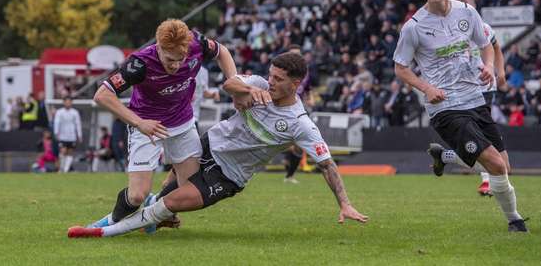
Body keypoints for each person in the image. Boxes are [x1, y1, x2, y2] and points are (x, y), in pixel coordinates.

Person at [68, 52, 368, 238]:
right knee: (163, 197)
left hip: (228, 176)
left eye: (278, 79)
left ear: (296, 84)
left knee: (171, 203)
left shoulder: (300, 123)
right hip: (208, 145)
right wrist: (246, 89)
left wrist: (344, 203)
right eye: (270, 76)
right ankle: (139, 223)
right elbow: (229, 83)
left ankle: (108, 231)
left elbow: (327, 164)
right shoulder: (261, 86)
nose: (271, 82)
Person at [393, 0, 527, 232]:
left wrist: (489, 67)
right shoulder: (413, 26)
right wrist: (427, 88)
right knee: (494, 163)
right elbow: (401, 69)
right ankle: (515, 221)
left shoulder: (467, 12)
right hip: (445, 107)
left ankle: (445, 157)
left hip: (475, 98)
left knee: (505, 166)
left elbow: (487, 45)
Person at [87, 19, 236, 232]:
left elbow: (222, 51)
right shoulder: (139, 63)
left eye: (180, 59)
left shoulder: (196, 43)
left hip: (182, 123)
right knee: (137, 195)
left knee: (188, 189)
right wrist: (139, 123)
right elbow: (102, 95)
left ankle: (155, 207)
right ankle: (112, 220)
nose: (175, 65)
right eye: (169, 59)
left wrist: (234, 81)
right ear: (158, 47)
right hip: (147, 125)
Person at [453, 0, 507, 196]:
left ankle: (487, 179)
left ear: (475, 5)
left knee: (480, 133)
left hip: (484, 87)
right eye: (459, 1)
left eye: (467, 0)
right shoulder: (450, 30)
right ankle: (447, 156)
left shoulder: (484, 27)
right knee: (471, 135)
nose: (464, 4)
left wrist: (500, 71)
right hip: (460, 89)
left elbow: (496, 48)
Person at [53, 96, 83, 173]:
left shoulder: (75, 112)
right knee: (63, 151)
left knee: (70, 152)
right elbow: (57, 123)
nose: (68, 103)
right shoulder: (59, 112)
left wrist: (79, 135)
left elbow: (78, 124)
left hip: (72, 136)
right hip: (62, 136)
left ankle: (66, 170)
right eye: (67, 101)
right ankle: (61, 169)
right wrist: (56, 132)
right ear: (64, 102)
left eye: (70, 102)